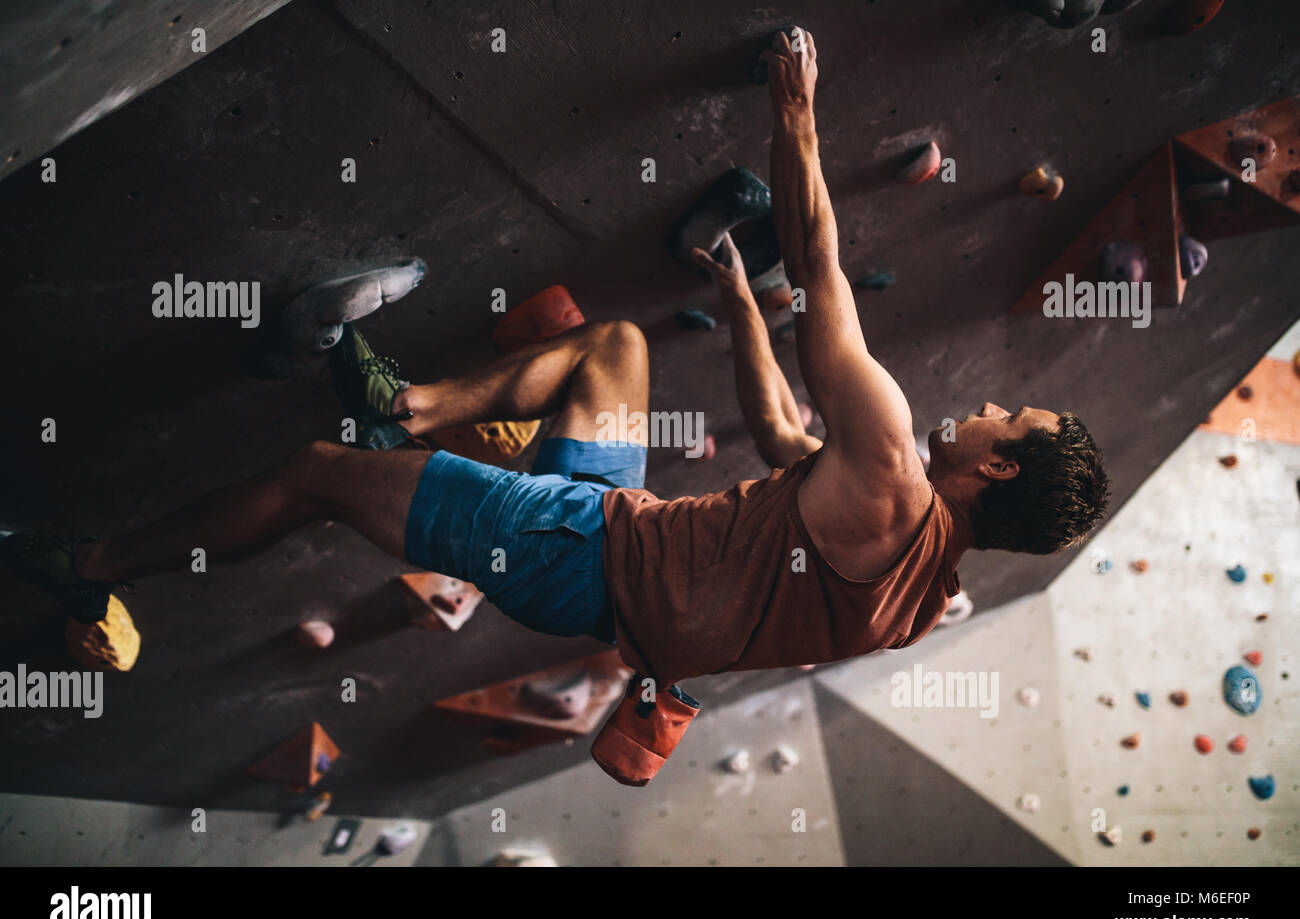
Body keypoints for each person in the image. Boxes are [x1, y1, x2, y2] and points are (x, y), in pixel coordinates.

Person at [1, 27, 1108, 696]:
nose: (996, 403)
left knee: (313, 473)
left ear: (999, 469)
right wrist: (737, 313)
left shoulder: (893, 472)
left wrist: (797, 108)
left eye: (1014, 418)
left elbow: (821, 261)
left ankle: (94, 560)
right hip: (618, 547)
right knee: (618, 348)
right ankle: (413, 401)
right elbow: (780, 444)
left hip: (576, 553)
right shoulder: (918, 594)